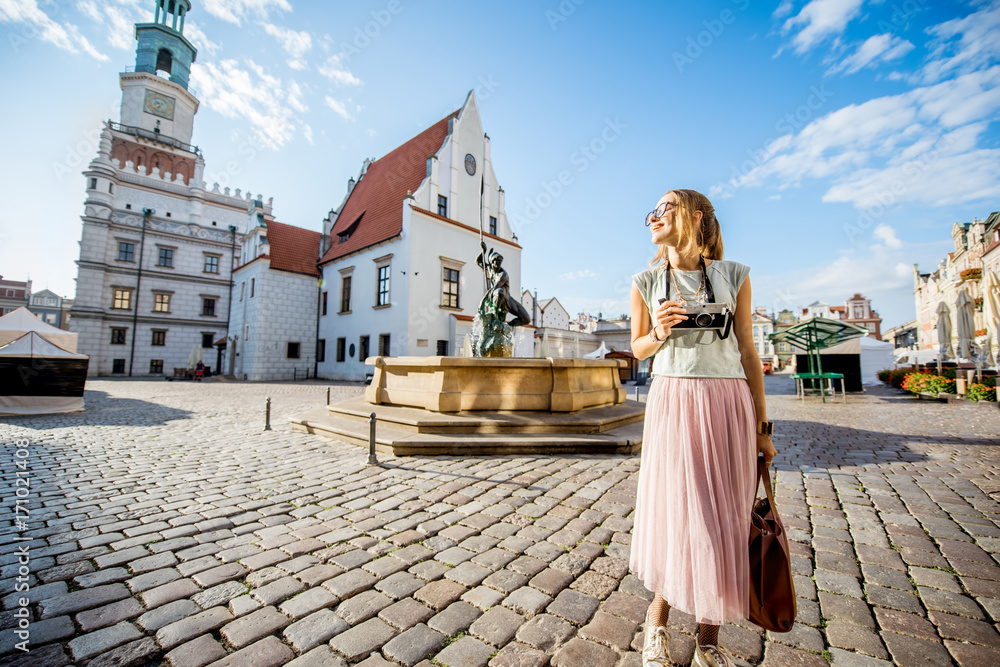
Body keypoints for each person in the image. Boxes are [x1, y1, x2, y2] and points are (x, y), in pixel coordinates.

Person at [629, 189, 777, 667]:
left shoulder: (734, 276)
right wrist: (658, 332)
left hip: (728, 401)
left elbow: (750, 354)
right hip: (674, 400)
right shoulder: (646, 281)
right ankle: (657, 624)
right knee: (680, 514)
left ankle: (708, 642)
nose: (653, 216)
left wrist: (762, 427)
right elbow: (637, 349)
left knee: (725, 518)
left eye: (664, 207)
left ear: (694, 217)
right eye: (651, 210)